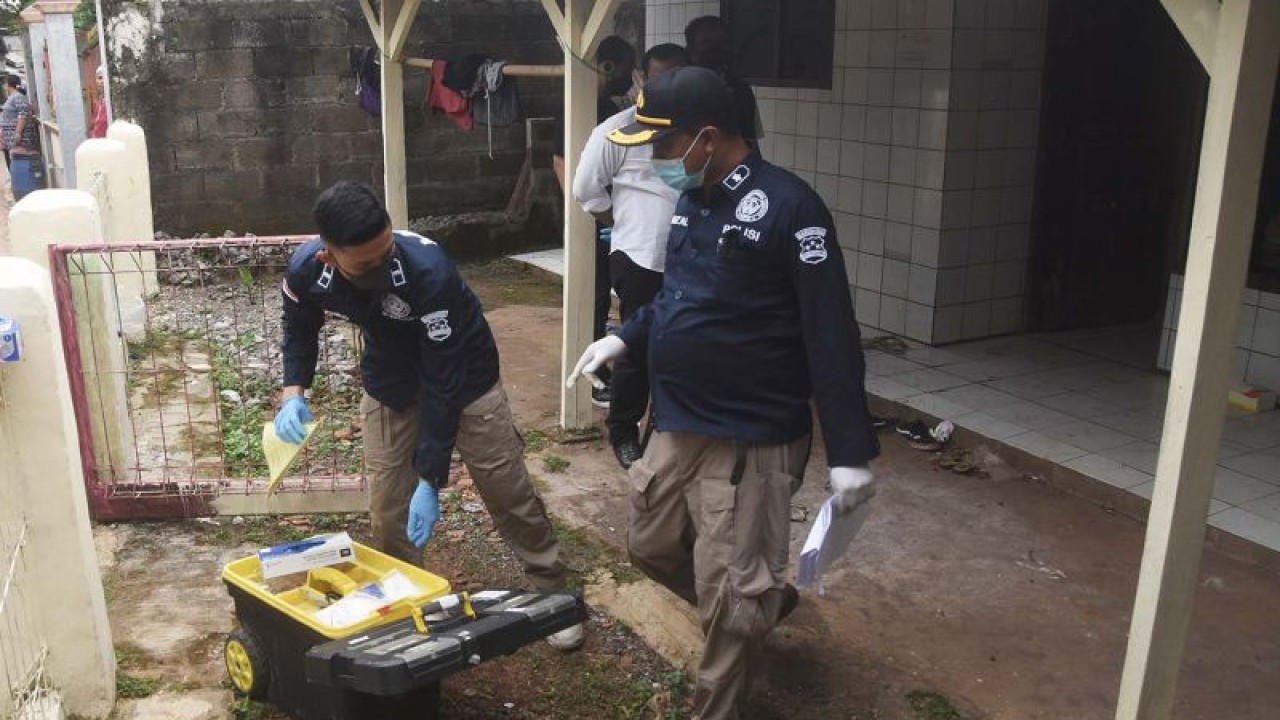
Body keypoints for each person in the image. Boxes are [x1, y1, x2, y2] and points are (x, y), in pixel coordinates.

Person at [567, 67, 879, 719]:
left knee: (731, 601)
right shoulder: (694, 199)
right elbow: (679, 298)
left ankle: (727, 671)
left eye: (661, 144)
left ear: (706, 139)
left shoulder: (792, 209)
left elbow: (831, 334)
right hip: (681, 420)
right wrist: (626, 339)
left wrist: (851, 450)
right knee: (650, 545)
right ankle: (755, 606)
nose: (652, 159)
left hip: (752, 434)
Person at [275, 182, 583, 651]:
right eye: (366, 263)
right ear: (329, 256)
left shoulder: (429, 270)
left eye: (386, 251)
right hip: (390, 380)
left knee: (506, 488)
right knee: (387, 506)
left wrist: (430, 477)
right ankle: (405, 600)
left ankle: (551, 590)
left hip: (465, 376)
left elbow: (443, 382)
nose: (381, 264)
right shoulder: (305, 271)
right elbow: (298, 329)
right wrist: (293, 391)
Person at [571, 43, 690, 470]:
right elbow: (586, 192)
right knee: (636, 348)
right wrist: (622, 221)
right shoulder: (616, 131)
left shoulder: (701, 129)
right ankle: (623, 431)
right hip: (640, 257)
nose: (668, 87)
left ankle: (669, 431)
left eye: (678, 77)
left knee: (683, 347)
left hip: (691, 262)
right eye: (660, 78)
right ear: (642, 78)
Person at [552, 35, 639, 409]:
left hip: (600, 214)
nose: (628, 77)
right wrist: (585, 212)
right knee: (593, 295)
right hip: (592, 215)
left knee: (601, 295)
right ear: (606, 66)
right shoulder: (587, 106)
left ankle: (600, 367)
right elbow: (561, 160)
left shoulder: (600, 103)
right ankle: (592, 376)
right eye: (625, 68)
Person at [685, 16, 762, 145]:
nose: (715, 49)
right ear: (690, 49)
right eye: (707, 42)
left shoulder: (741, 91)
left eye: (721, 43)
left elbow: (749, 141)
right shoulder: (677, 89)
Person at [1, 78, 43, 200]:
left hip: (22, 143)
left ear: (8, 84)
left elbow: (23, 114)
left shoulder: (18, 97)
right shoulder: (13, 97)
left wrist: (18, 133)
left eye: (4, 84)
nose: (3, 86)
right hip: (15, 146)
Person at [89, 66, 108, 139]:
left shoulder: (114, 102)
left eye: (105, 78)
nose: (102, 81)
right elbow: (94, 123)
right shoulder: (98, 103)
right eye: (100, 78)